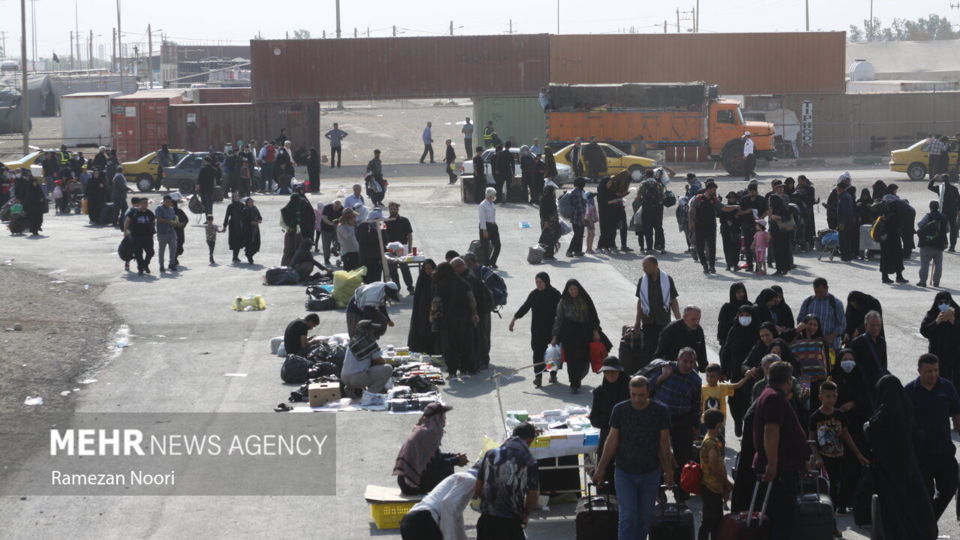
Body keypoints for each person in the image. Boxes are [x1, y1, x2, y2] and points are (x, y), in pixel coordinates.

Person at [592, 376, 673, 540]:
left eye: (641, 395)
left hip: (650, 472)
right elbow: (612, 440)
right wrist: (600, 468)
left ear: (648, 392)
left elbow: (664, 443)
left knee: (645, 518)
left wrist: (668, 470)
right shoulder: (620, 410)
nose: (637, 399)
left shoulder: (660, 411)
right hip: (624, 472)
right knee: (628, 516)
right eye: (633, 394)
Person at [866, 375, 938, 540]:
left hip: (888, 468)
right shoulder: (907, 408)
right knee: (913, 501)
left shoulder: (883, 413)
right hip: (908, 465)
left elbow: (872, 434)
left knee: (894, 505)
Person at [755, 361, 808, 538]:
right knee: (782, 520)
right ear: (788, 380)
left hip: (783, 467)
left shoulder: (770, 394)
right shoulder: (774, 397)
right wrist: (772, 464)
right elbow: (771, 430)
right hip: (780, 470)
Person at [808, 380, 870, 530]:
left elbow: (845, 435)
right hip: (823, 460)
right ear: (820, 397)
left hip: (839, 458)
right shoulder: (815, 417)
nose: (831, 399)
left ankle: (832, 524)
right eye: (828, 396)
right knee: (825, 492)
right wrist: (817, 457)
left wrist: (858, 455)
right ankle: (826, 525)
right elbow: (811, 440)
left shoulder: (840, 415)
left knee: (835, 492)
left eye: (834, 396)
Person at [905, 353, 960, 520]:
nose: (933, 374)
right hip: (921, 454)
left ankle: (929, 522)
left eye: (936, 370)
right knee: (924, 495)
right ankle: (926, 528)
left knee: (950, 487)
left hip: (944, 450)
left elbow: (957, 413)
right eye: (929, 371)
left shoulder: (947, 387)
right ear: (919, 371)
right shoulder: (909, 391)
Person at [475, 423, 539, 540]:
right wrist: (526, 514)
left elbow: (478, 488)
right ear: (530, 440)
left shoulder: (490, 454)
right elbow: (532, 495)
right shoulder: (529, 461)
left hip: (486, 521)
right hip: (510, 524)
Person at [393, 402, 469, 496]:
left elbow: (432, 457)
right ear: (437, 417)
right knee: (447, 470)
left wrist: (453, 456)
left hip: (404, 481)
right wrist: (456, 460)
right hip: (410, 485)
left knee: (446, 466)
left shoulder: (423, 430)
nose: (445, 418)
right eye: (443, 416)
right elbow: (435, 464)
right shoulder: (428, 434)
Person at [550, 279, 603, 393]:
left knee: (583, 359)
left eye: (575, 289)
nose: (573, 292)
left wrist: (595, 331)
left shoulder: (585, 299)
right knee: (572, 360)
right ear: (567, 290)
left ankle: (578, 378)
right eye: (571, 290)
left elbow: (593, 316)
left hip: (584, 333)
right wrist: (555, 336)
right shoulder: (563, 302)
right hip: (569, 334)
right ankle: (574, 384)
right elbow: (558, 320)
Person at [510, 272, 562, 387]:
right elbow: (525, 307)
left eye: (540, 282)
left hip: (552, 330)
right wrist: (514, 318)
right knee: (537, 353)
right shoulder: (534, 294)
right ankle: (538, 377)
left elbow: (562, 311)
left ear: (546, 282)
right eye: (536, 282)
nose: (538, 284)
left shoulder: (555, 294)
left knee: (551, 354)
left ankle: (552, 374)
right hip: (538, 330)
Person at [431, 261, 479, 379]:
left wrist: (432, 313)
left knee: (449, 346)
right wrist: (474, 313)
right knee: (465, 344)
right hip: (465, 318)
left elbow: (436, 301)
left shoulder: (441, 284)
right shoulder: (463, 282)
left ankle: (452, 372)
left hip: (448, 319)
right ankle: (464, 370)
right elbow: (471, 300)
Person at [400, 468, 477, 540]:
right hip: (423, 522)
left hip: (411, 519)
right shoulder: (470, 480)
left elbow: (456, 516)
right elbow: (448, 504)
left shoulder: (459, 477)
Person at [589, 357, 630, 489]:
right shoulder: (599, 392)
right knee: (606, 475)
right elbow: (594, 419)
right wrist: (613, 423)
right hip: (607, 437)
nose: (610, 375)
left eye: (613, 372)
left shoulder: (631, 391)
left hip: (629, 438)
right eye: (607, 372)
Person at [634, 256, 680, 361]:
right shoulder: (642, 280)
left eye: (646, 267)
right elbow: (640, 301)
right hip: (648, 321)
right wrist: (637, 321)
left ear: (655, 266)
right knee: (649, 350)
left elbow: (673, 300)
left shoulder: (667, 279)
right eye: (643, 267)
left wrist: (679, 320)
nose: (643, 269)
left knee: (663, 348)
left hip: (663, 321)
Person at [689, 179, 738, 274]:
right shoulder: (699, 198)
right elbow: (691, 209)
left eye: (715, 190)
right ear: (708, 189)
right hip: (699, 226)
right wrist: (691, 223)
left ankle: (712, 266)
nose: (715, 192)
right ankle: (704, 265)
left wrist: (735, 207)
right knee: (700, 247)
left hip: (711, 226)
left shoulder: (714, 200)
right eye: (713, 190)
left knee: (712, 247)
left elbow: (724, 208)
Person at [699, 408, 732, 540]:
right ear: (718, 424)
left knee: (715, 521)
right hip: (711, 487)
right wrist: (727, 483)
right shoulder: (711, 444)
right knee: (710, 521)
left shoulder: (711, 439)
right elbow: (715, 469)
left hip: (712, 486)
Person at [701, 362, 757, 436]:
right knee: (706, 440)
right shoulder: (702, 389)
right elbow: (700, 404)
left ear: (718, 377)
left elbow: (737, 385)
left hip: (720, 421)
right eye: (707, 376)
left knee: (719, 442)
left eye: (712, 376)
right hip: (705, 420)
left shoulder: (722, 387)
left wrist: (747, 377)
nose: (709, 379)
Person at [341, 320, 393, 394]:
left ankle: (350, 392)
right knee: (388, 368)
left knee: (365, 370)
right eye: (371, 330)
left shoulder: (353, 341)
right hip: (357, 379)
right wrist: (388, 362)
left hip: (344, 378)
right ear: (367, 331)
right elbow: (380, 361)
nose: (373, 331)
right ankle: (370, 395)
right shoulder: (368, 342)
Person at [459, 255, 492, 370]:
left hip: (481, 311)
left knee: (481, 335)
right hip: (484, 309)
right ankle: (483, 359)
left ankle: (483, 360)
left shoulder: (468, 277)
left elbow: (472, 298)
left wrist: (473, 313)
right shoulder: (471, 274)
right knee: (483, 335)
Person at [798, 277, 847, 353]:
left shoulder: (836, 303)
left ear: (827, 288)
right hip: (811, 346)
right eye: (816, 292)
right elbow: (800, 320)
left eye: (820, 292)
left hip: (831, 346)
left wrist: (831, 336)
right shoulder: (808, 302)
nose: (818, 294)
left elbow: (842, 324)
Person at [921, 292, 960, 383]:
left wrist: (953, 321)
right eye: (940, 303)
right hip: (937, 355)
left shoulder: (958, 313)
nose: (943, 305)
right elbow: (924, 331)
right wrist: (937, 322)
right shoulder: (932, 314)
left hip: (955, 356)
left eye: (946, 302)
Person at [654, 306, 707, 372]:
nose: (696, 322)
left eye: (698, 319)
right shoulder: (671, 329)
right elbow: (660, 352)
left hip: (691, 366)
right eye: (693, 319)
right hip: (672, 366)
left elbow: (702, 351)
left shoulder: (699, 330)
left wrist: (704, 368)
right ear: (685, 317)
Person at [849, 311, 888, 390]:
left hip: (878, 383)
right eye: (873, 325)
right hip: (864, 385)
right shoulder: (857, 343)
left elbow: (884, 363)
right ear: (866, 325)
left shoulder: (881, 341)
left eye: (878, 325)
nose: (876, 328)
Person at [407, 259, 439, 355]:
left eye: (430, 268)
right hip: (423, 310)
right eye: (426, 269)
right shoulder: (422, 279)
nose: (429, 271)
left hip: (434, 310)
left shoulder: (437, 279)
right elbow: (417, 298)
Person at [385, 202, 415, 293]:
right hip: (390, 249)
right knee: (393, 270)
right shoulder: (386, 221)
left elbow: (409, 235)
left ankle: (410, 287)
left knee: (404, 268)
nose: (392, 210)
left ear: (397, 209)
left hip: (402, 248)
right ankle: (396, 288)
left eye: (394, 209)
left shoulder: (404, 220)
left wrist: (410, 247)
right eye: (391, 209)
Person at [917, 200, 948, 287]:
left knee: (925, 263)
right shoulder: (944, 217)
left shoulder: (928, 216)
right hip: (940, 244)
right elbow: (947, 229)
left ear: (930, 207)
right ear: (938, 207)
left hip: (926, 243)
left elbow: (920, 225)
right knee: (938, 265)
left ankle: (923, 281)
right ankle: (936, 282)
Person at [737, 182, 767, 271]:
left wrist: (760, 219)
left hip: (759, 227)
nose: (752, 193)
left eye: (754, 191)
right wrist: (747, 211)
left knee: (759, 246)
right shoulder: (744, 199)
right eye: (750, 191)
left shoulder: (762, 199)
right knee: (748, 246)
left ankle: (758, 267)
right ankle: (750, 266)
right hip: (746, 225)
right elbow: (739, 212)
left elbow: (767, 211)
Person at [877, 195, 907, 284]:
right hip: (894, 241)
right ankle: (899, 276)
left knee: (885, 258)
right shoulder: (894, 216)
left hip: (885, 241)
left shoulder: (883, 216)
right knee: (898, 258)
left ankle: (885, 277)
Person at [125, 198, 156, 276]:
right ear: (139, 204)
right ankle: (140, 268)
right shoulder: (134, 212)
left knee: (150, 252)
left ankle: (145, 264)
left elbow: (153, 222)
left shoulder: (150, 213)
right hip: (136, 236)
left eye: (146, 203)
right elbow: (127, 222)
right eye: (143, 203)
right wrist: (126, 232)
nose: (144, 205)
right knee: (138, 253)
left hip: (148, 236)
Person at [929, 173, 959, 251]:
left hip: (943, 211)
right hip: (953, 211)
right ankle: (952, 247)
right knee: (953, 229)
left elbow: (929, 187)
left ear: (942, 180)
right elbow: (959, 200)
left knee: (942, 229)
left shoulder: (940, 188)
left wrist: (933, 179)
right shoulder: (954, 188)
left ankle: (943, 244)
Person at [357, 209, 387, 284]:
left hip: (376, 258)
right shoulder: (363, 226)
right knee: (367, 279)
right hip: (368, 258)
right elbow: (360, 240)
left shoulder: (381, 227)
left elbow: (385, 239)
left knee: (376, 279)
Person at [155, 195, 181, 273]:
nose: (168, 203)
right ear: (163, 201)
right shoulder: (159, 209)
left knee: (173, 248)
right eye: (166, 202)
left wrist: (176, 223)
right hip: (162, 232)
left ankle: (172, 264)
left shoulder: (172, 209)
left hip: (171, 232)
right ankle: (161, 265)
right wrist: (169, 222)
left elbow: (174, 219)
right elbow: (158, 219)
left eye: (169, 202)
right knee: (162, 250)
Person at [280, 195, 307, 266]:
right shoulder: (284, 210)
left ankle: (295, 267)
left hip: (298, 234)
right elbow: (281, 223)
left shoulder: (300, 210)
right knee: (288, 251)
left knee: (298, 251)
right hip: (290, 234)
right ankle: (285, 267)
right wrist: (289, 228)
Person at [719, 190, 742, 272]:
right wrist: (726, 221)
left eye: (733, 197)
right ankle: (728, 264)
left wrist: (735, 220)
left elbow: (741, 219)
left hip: (736, 230)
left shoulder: (738, 207)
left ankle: (735, 264)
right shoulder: (724, 207)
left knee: (736, 248)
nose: (732, 199)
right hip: (726, 230)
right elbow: (721, 219)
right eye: (730, 197)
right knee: (727, 247)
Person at [478, 188, 500, 268]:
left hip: (493, 225)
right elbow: (482, 218)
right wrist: (484, 229)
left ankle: (492, 261)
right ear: (489, 196)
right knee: (485, 247)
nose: (494, 196)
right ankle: (486, 264)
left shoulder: (492, 204)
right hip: (486, 226)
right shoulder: (482, 205)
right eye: (493, 195)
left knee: (498, 245)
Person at [221, 193, 246, 264]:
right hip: (232, 225)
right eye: (235, 197)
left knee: (239, 241)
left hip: (240, 225)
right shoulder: (230, 206)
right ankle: (234, 256)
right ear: (233, 198)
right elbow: (227, 216)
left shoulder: (242, 205)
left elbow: (245, 215)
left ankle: (236, 256)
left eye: (237, 196)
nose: (236, 198)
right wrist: (225, 226)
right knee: (234, 241)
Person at [567, 177, 587, 257]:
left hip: (575, 216)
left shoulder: (577, 191)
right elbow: (579, 206)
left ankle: (578, 251)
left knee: (580, 234)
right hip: (577, 217)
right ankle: (569, 251)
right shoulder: (578, 192)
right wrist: (583, 218)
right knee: (577, 234)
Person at [318, 200, 343, 266]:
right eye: (336, 207)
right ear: (333, 205)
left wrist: (339, 222)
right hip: (326, 229)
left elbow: (342, 217)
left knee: (339, 241)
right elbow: (324, 218)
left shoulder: (341, 208)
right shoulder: (327, 207)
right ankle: (326, 259)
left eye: (338, 207)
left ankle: (334, 249)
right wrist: (331, 223)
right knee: (326, 245)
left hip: (336, 228)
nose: (337, 209)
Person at [241, 197, 262, 265]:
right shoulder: (245, 210)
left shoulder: (255, 209)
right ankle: (249, 257)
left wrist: (259, 220)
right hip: (247, 230)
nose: (251, 203)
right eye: (249, 202)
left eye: (252, 202)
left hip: (255, 229)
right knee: (249, 244)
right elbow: (243, 220)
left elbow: (259, 216)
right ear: (247, 203)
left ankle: (250, 254)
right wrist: (250, 222)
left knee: (256, 243)